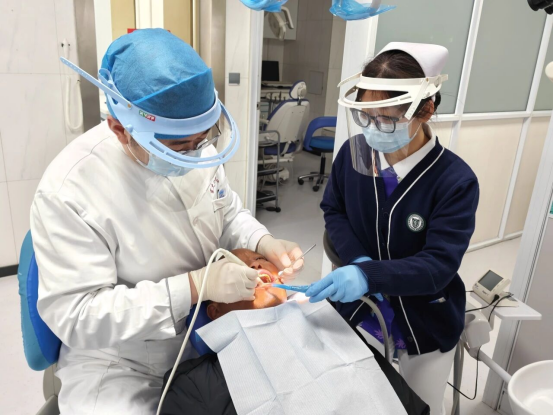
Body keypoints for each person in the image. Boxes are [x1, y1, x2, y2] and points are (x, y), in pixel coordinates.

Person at [30, 29, 302, 415]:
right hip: (121, 362)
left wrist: (263, 242)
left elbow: (226, 212)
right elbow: (79, 316)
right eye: (178, 147)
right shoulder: (70, 190)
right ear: (120, 129)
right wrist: (193, 286)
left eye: (202, 140)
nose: (194, 155)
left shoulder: (195, 147)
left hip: (204, 333)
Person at [306, 42, 480, 415]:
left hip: (425, 315)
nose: (372, 130)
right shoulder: (354, 154)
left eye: (385, 120)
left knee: (418, 407)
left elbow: (438, 266)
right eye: (364, 117)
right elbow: (333, 210)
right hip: (361, 309)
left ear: (425, 110)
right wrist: (358, 261)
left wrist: (369, 275)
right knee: (358, 399)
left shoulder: (455, 181)